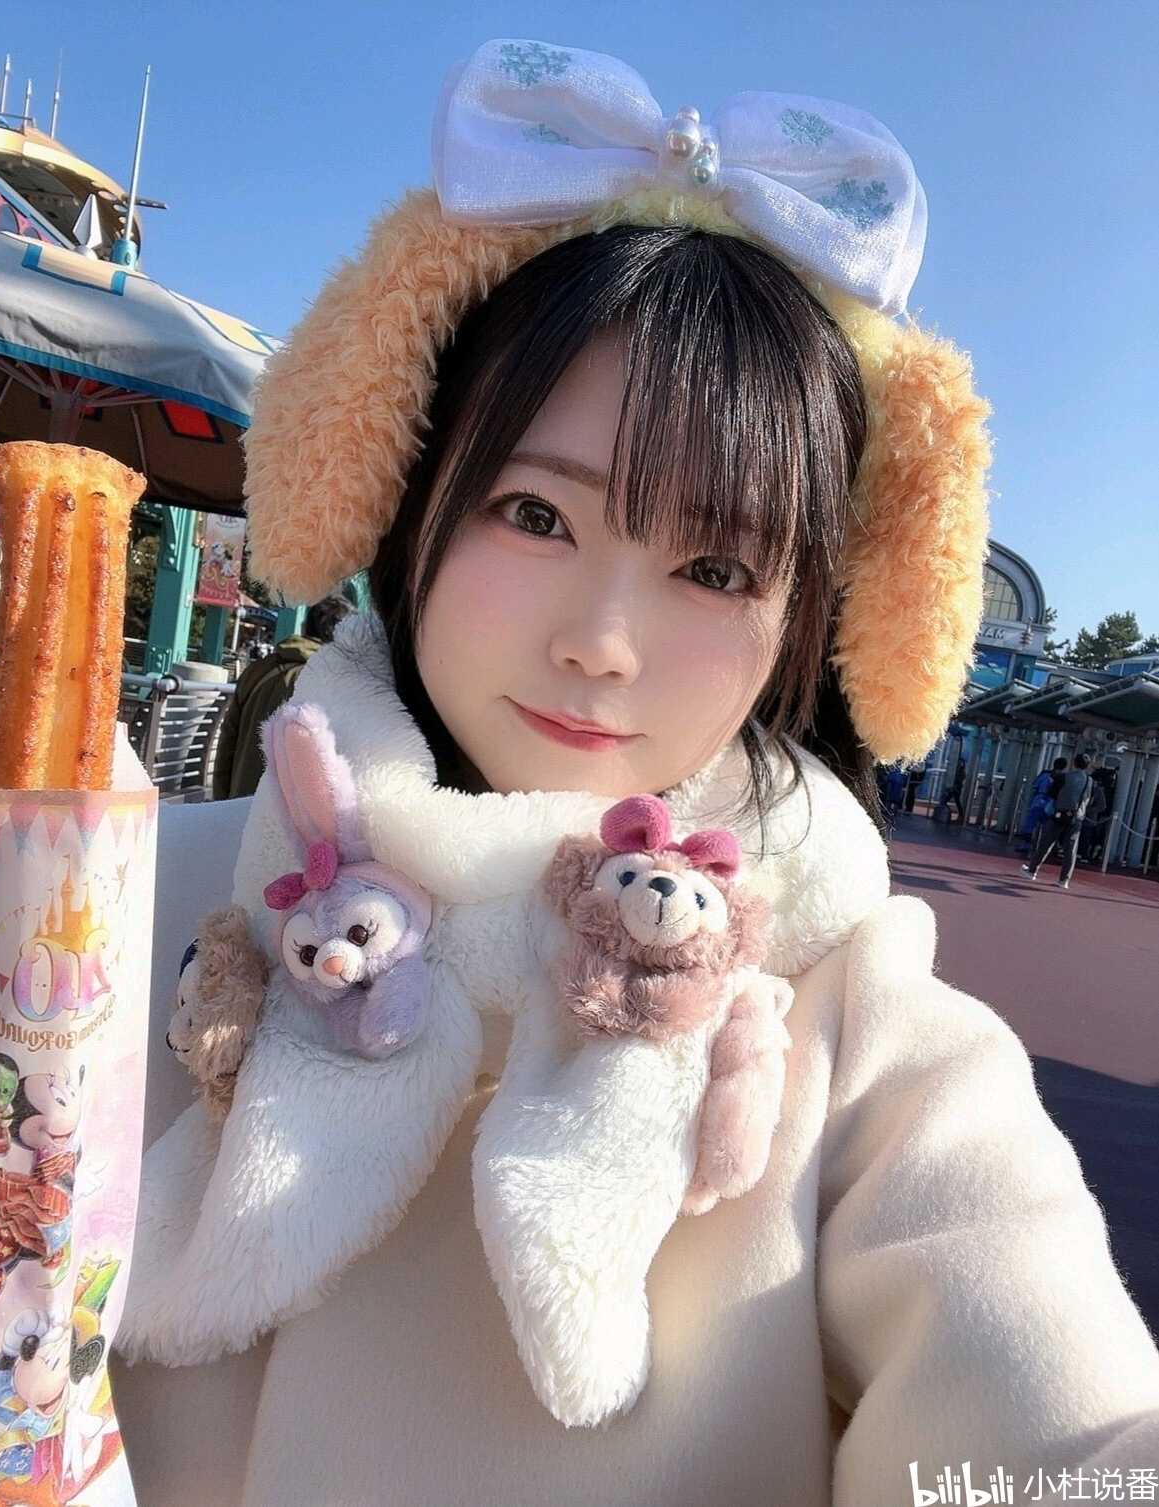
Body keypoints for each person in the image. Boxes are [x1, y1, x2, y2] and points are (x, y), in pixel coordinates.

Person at [113, 43, 1159, 1507]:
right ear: (405, 495)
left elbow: (1067, 1433)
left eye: (715, 568)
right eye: (536, 514)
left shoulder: (859, 1035)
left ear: (809, 624)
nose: (601, 642)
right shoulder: (113, 900)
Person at [210, 594, 353, 799]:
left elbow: (227, 745)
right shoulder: (336, 680)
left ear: (305, 627)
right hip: (295, 812)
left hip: (241, 802)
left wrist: (222, 802)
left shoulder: (258, 670)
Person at [1022, 753, 1096, 889]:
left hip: (1059, 814)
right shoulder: (1089, 780)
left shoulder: (1064, 777)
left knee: (1045, 843)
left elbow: (1052, 793)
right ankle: (1064, 880)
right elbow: (1089, 797)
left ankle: (1032, 870)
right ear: (1087, 766)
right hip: (1077, 817)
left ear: (1074, 763)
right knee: (1070, 849)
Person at [1017, 755, 1067, 853]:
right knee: (1047, 827)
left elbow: (1035, 785)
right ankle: (1044, 848)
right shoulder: (1063, 778)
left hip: (1038, 801)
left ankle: (1025, 845)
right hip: (1051, 804)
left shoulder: (1045, 774)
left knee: (1031, 824)